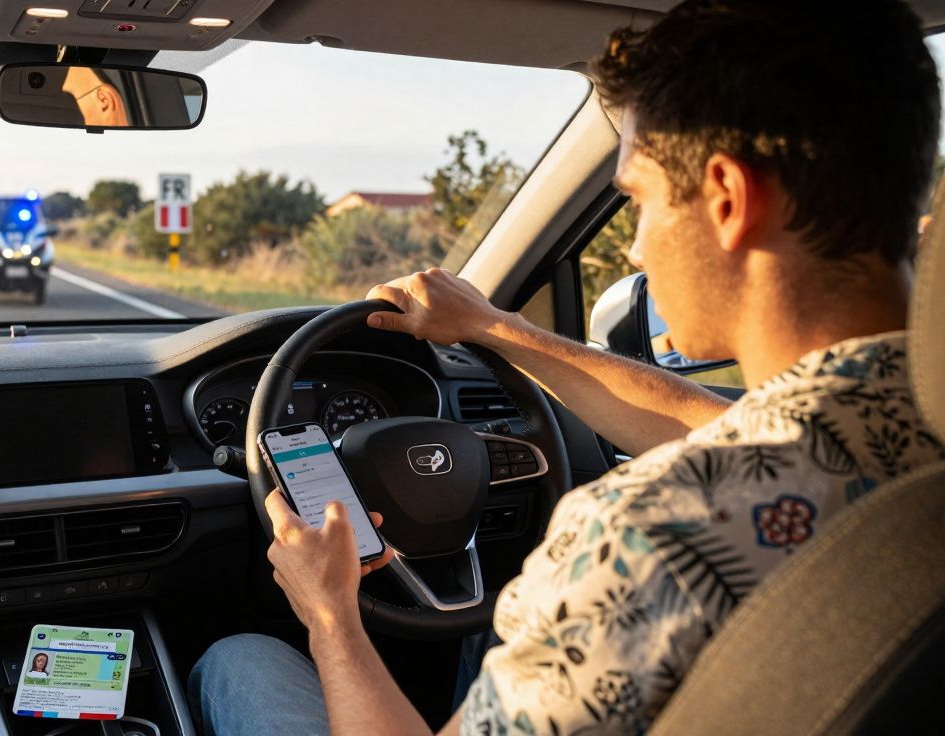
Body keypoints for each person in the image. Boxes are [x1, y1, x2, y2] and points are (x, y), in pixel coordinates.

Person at [188, 1, 945, 734]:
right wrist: (492, 327)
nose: (638, 248)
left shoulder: (648, 537)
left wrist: (331, 616)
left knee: (239, 659)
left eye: (639, 201)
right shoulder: (897, 433)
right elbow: (710, 426)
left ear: (726, 198)